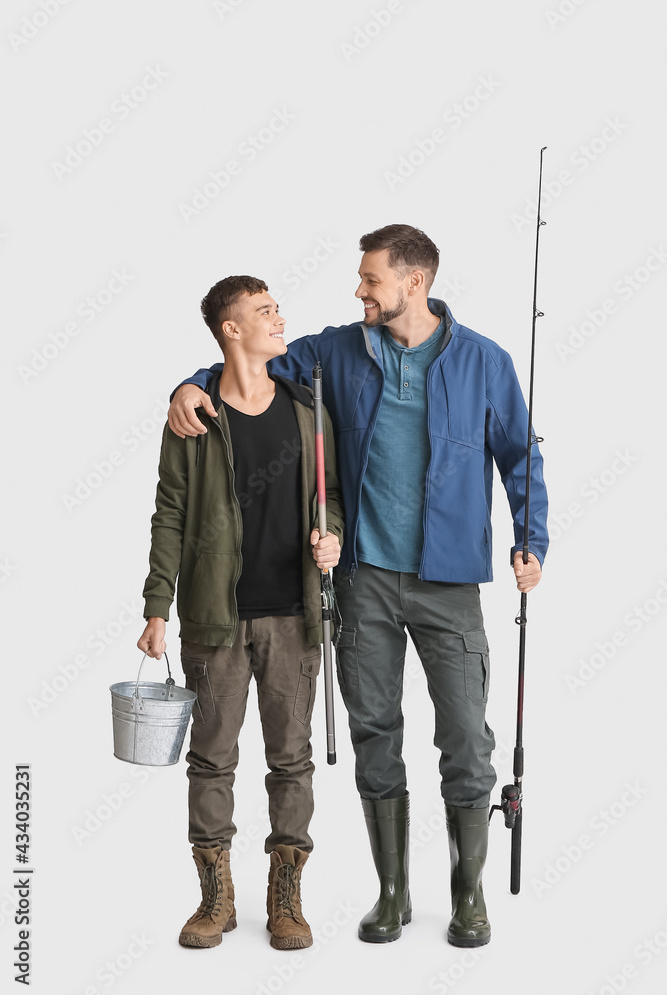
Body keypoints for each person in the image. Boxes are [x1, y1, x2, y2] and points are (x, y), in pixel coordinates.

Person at [167, 225, 548, 948]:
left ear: (414, 283)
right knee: (375, 735)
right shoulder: (333, 351)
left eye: (370, 279)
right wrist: (188, 383)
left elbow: (519, 458)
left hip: (450, 582)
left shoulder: (485, 362)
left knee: (466, 738)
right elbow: (248, 364)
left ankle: (468, 896)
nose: (358, 291)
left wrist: (531, 541)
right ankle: (392, 893)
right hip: (362, 578)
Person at [138, 275, 343, 951]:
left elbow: (331, 495)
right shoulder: (194, 417)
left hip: (294, 615)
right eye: (264, 312)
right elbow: (169, 514)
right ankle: (215, 898)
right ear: (231, 330)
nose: (278, 318)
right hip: (212, 619)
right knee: (210, 762)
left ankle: (286, 898)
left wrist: (330, 536)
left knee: (291, 762)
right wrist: (157, 607)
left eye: (276, 308)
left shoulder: (307, 411)